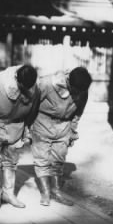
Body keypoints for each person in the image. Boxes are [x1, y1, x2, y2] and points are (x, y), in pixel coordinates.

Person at [0, 65, 40, 209]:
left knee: (11, 164)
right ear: (16, 78)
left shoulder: (35, 88)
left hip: (16, 131)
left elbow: (32, 114)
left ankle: (9, 194)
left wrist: (26, 131)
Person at [31, 67, 91, 206]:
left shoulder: (82, 89)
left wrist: (72, 130)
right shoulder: (46, 83)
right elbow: (32, 105)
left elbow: (78, 112)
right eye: (75, 91)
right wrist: (29, 127)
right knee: (42, 159)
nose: (77, 94)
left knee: (59, 159)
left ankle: (56, 192)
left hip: (64, 126)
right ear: (68, 82)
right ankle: (45, 193)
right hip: (43, 123)